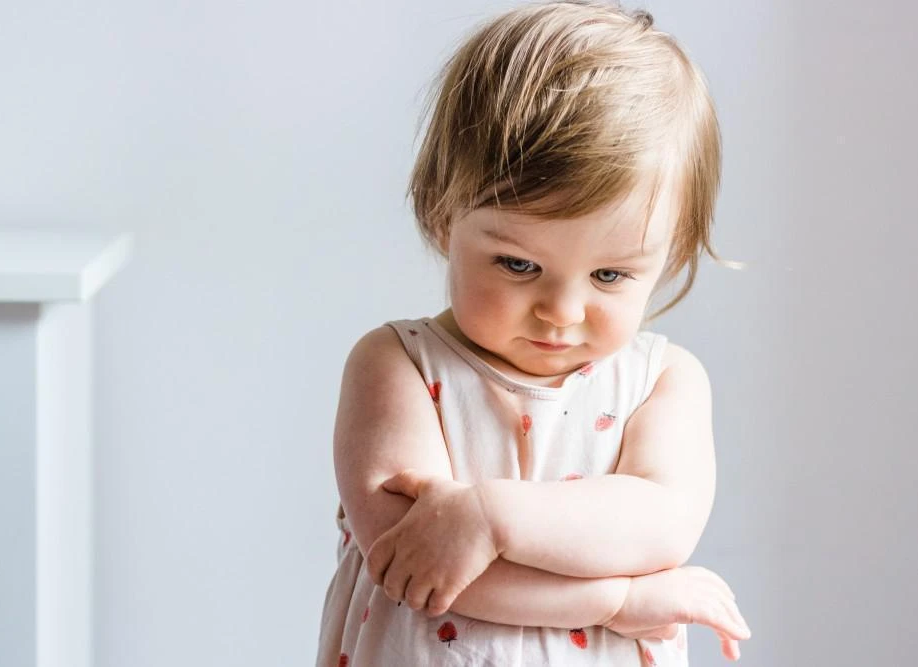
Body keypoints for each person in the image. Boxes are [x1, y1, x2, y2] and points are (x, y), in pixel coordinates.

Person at [317, 2, 752, 665]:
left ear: (670, 252)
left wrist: (492, 517)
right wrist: (617, 602)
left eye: (609, 275)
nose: (562, 311)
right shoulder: (396, 367)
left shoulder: (663, 382)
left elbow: (661, 523)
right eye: (519, 264)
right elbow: (416, 566)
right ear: (442, 216)